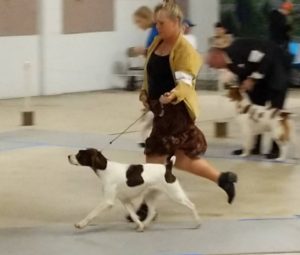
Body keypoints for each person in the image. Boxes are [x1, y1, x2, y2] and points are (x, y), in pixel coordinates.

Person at [133, 0, 238, 221]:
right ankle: (223, 179)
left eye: (161, 23)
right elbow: (150, 73)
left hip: (176, 112)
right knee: (182, 159)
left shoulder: (185, 50)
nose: (157, 27)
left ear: (176, 22)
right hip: (160, 109)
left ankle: (146, 209)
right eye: (156, 23)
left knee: (153, 158)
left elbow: (185, 82)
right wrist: (146, 94)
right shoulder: (157, 43)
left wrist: (172, 95)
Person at [206, 38, 292, 159]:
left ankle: (276, 149)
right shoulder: (229, 64)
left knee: (275, 113)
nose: (213, 68)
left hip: (275, 72)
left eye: (212, 64)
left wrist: (252, 79)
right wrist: (243, 87)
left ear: (216, 55)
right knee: (254, 113)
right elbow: (243, 73)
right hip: (259, 82)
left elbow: (264, 58)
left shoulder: (238, 47)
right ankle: (252, 147)